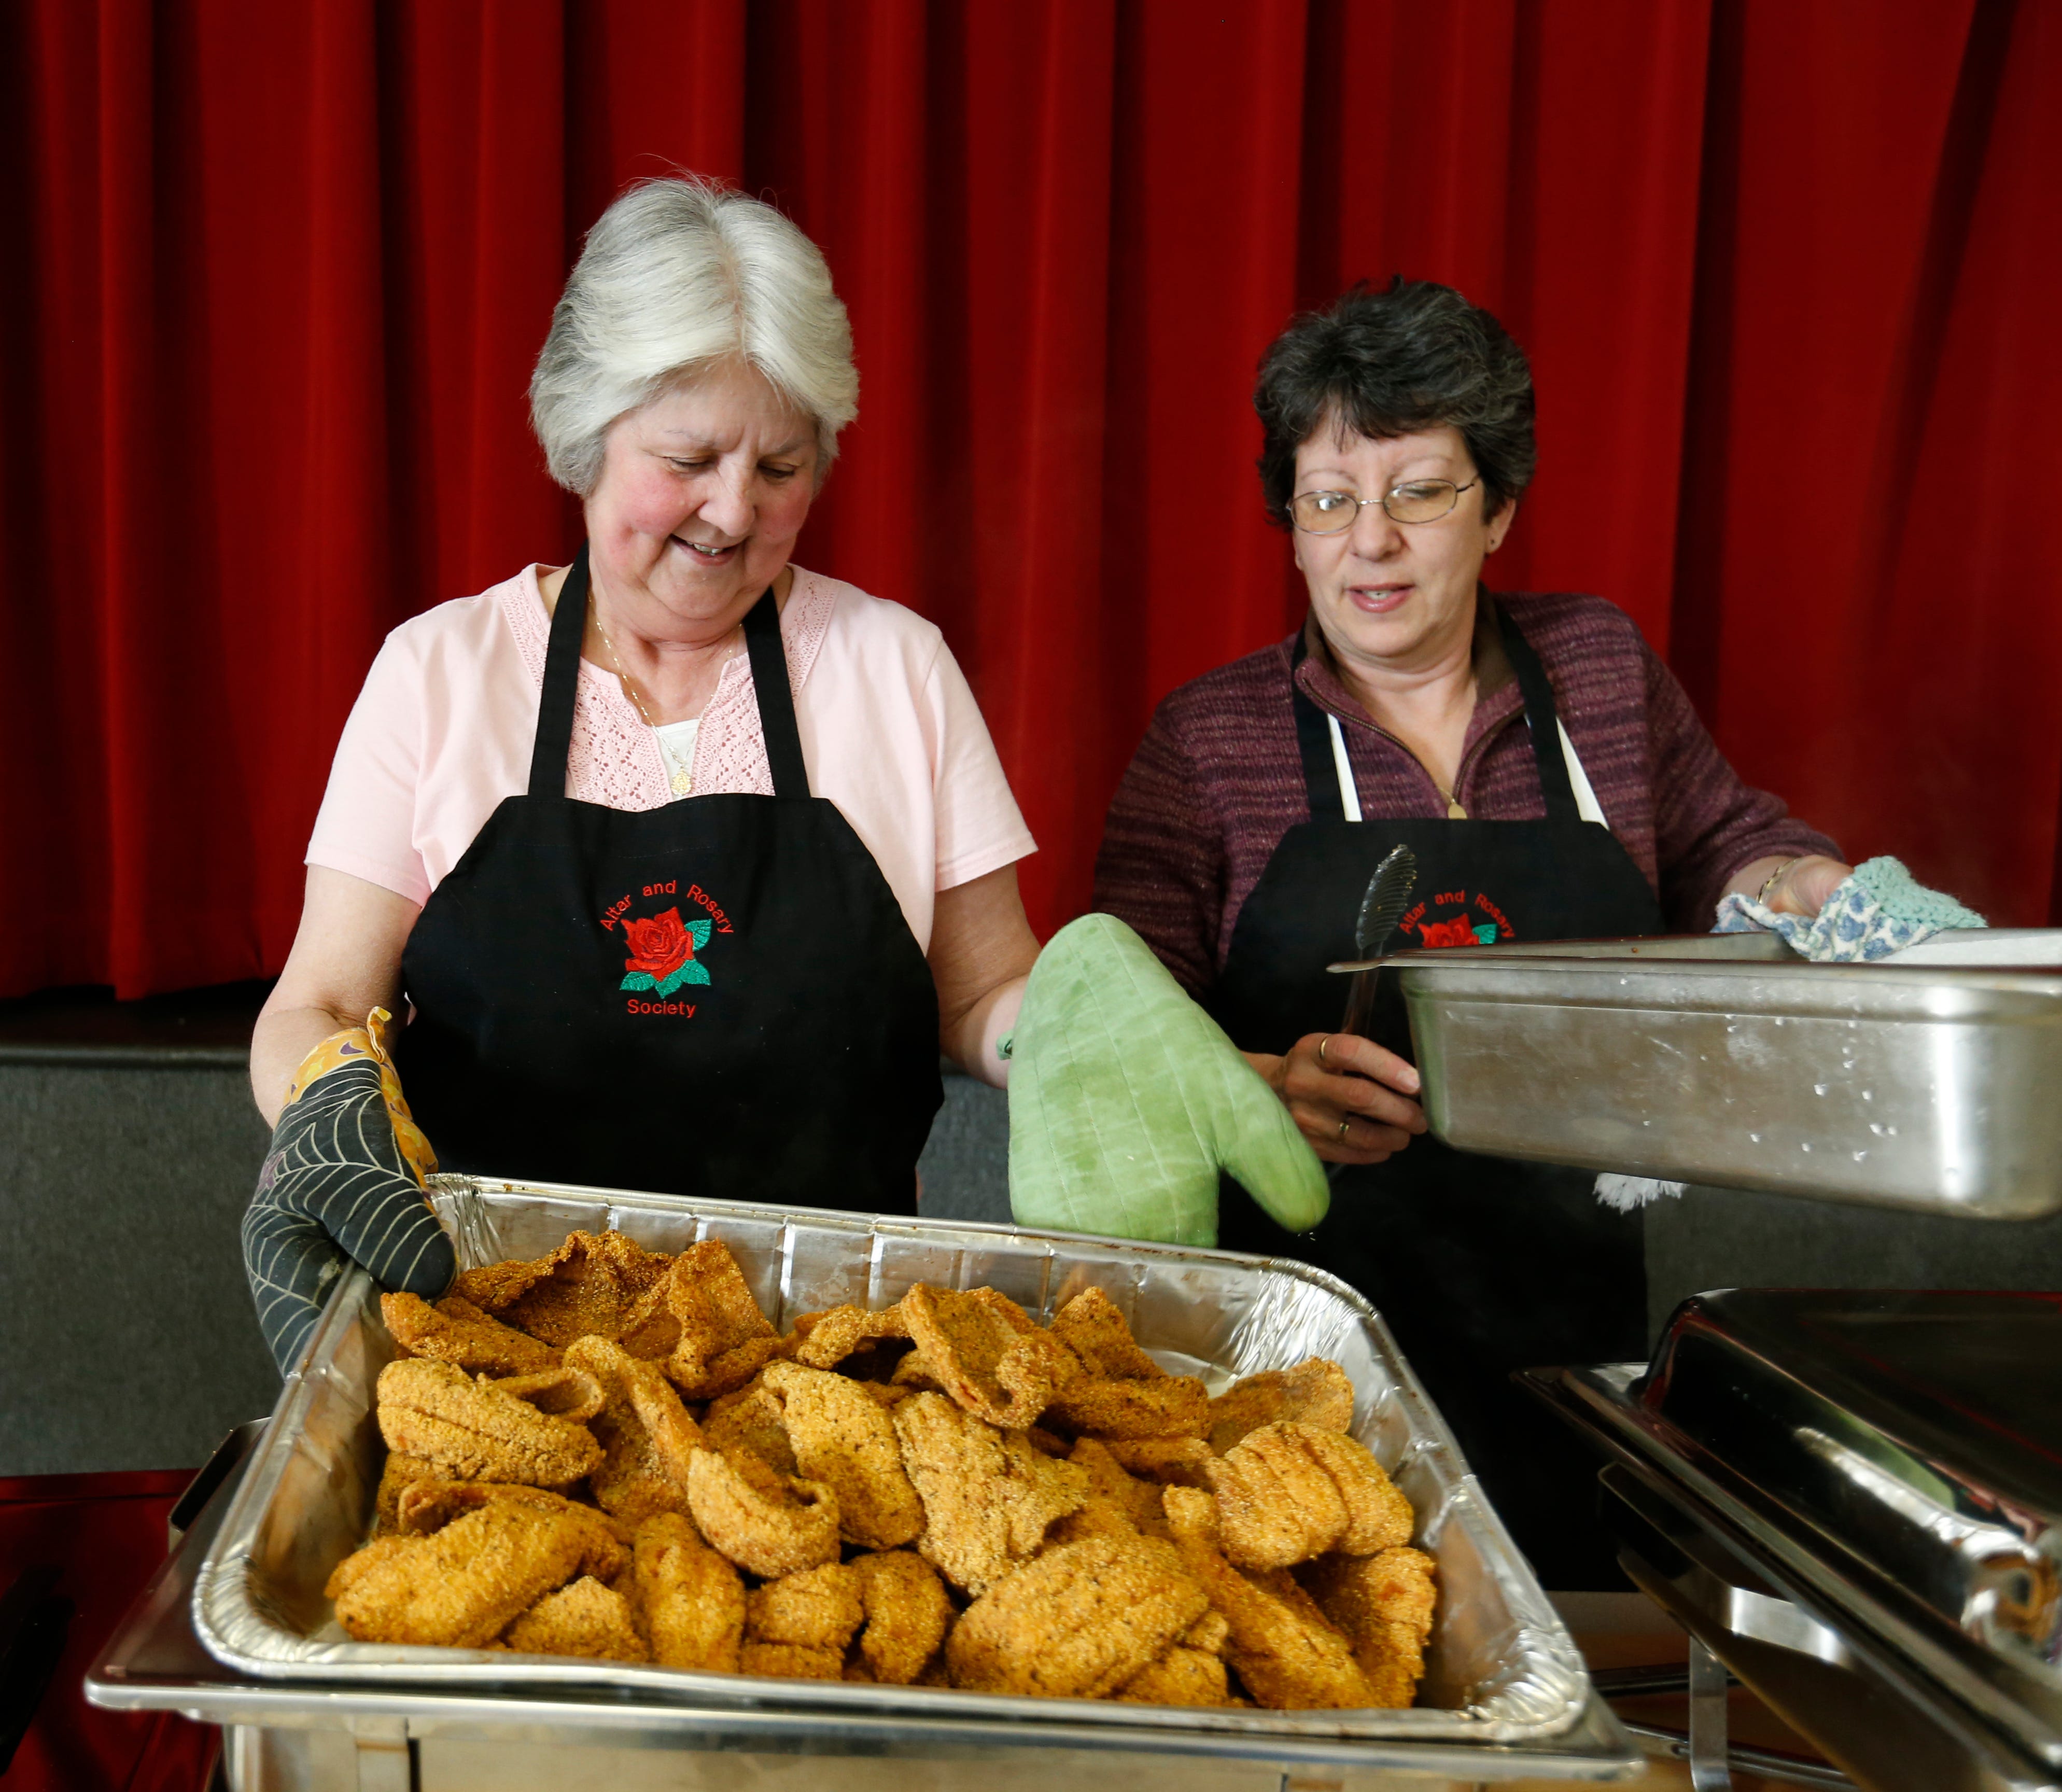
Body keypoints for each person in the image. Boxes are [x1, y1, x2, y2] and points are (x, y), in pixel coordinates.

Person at [1092, 277, 1850, 1586]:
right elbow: (1113, 1033)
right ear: (1292, 527)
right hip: (1295, 1355)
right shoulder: (1209, 741)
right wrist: (1263, 1087)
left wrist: (1800, 882)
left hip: (1572, 1329)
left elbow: (1733, 846)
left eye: (1419, 493)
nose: (1369, 542)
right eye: (1330, 501)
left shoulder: (1602, 675)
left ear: (1497, 508)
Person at [245, 177, 1039, 1368]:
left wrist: (1099, 1051)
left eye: (782, 465)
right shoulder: (437, 673)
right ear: (585, 437)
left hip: (834, 1371)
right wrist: (323, 1107)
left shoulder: (898, 671)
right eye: (691, 457)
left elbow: (987, 999)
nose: (736, 509)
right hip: (503, 1361)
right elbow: (312, 1005)